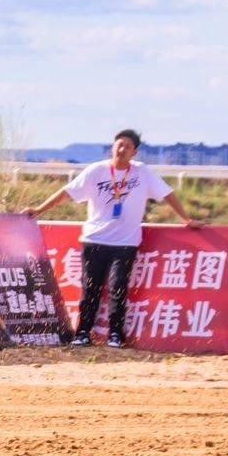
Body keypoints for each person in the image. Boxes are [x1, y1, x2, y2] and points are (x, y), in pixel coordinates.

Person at [25, 128, 200, 347]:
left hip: (125, 243)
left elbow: (167, 194)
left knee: (118, 287)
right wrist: (39, 210)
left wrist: (186, 219)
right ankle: (82, 333)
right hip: (95, 240)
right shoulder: (96, 171)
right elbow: (66, 193)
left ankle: (116, 334)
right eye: (119, 144)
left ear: (134, 152)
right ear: (112, 147)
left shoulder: (142, 173)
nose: (122, 149)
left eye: (127, 146)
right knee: (91, 288)